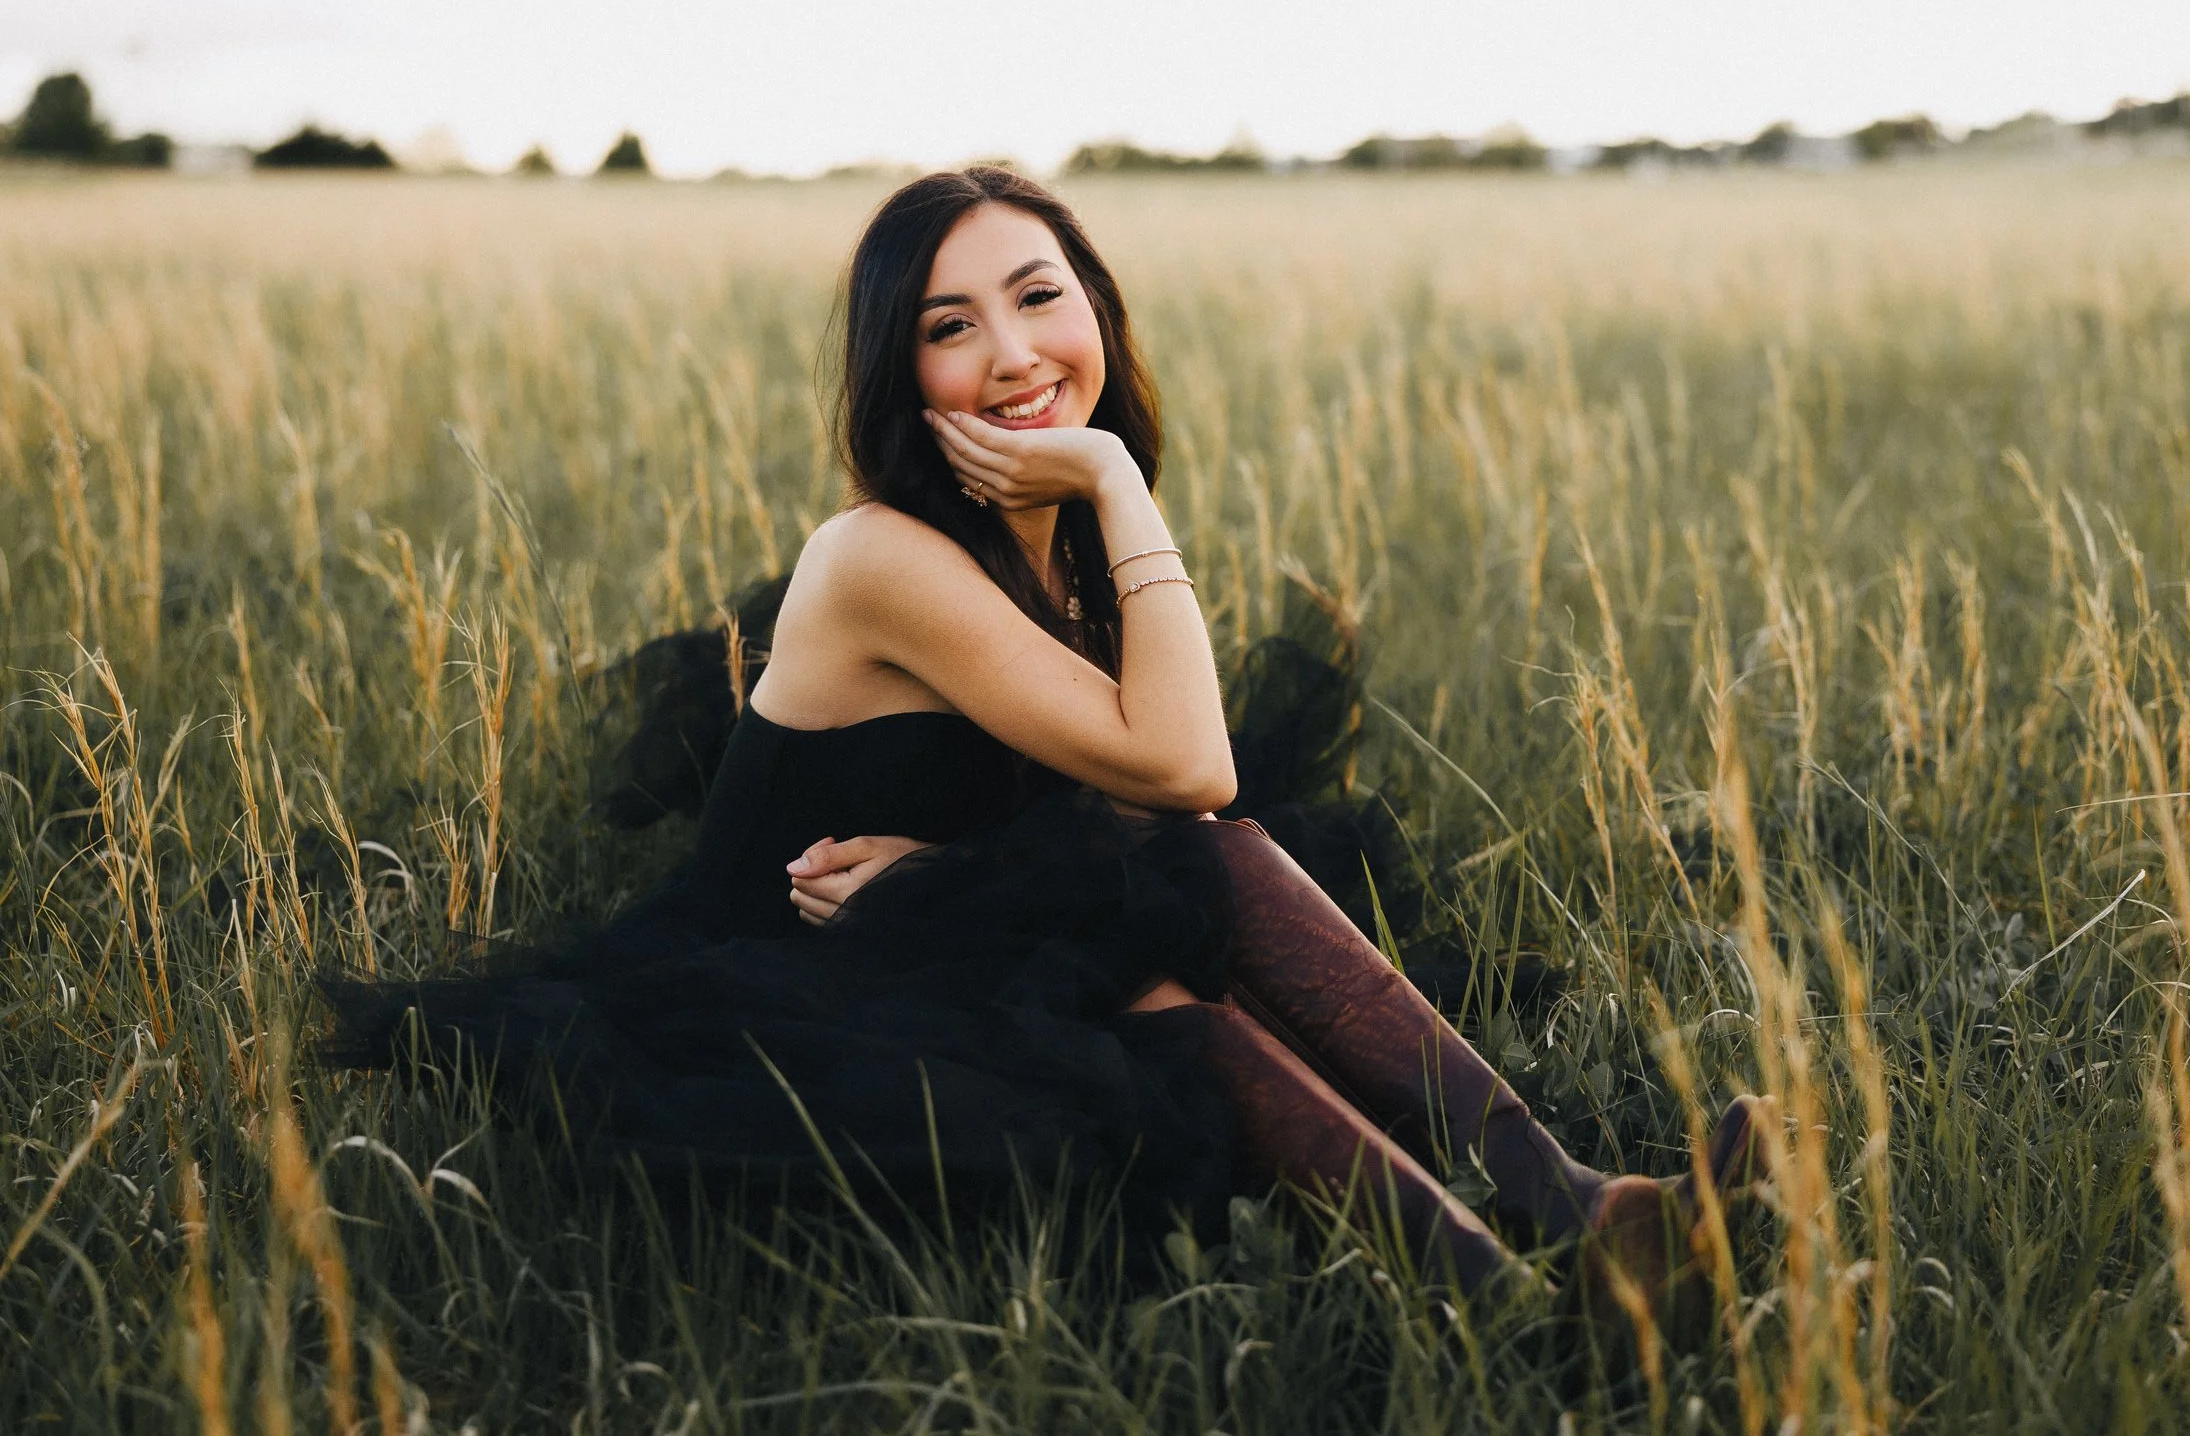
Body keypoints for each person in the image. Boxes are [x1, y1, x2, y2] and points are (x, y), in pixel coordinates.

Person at [326, 166, 1765, 1321]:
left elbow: (1167, 792)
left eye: (1038, 296)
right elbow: (1186, 757)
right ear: (905, 375)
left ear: (1098, 309)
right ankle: (1499, 1298)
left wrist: (1100, 505)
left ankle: (1582, 1205)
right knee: (1150, 955)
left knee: (1218, 860)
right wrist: (1124, 480)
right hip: (808, 960)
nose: (1014, 355)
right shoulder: (879, 554)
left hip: (963, 888)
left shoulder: (1056, 528)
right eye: (951, 327)